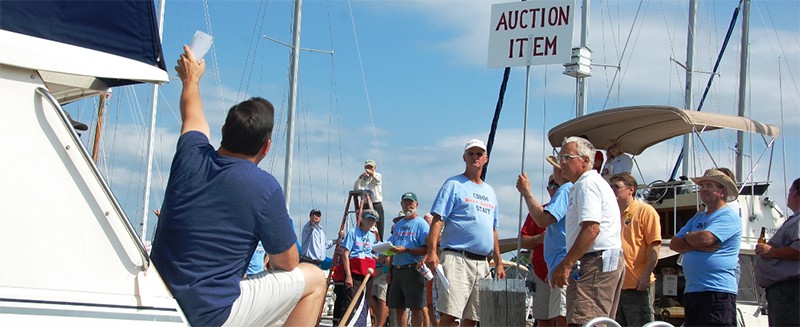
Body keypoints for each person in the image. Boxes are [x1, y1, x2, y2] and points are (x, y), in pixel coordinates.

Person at [150, 46, 325, 327]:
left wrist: (191, 79)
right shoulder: (264, 187)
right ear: (266, 147)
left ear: (222, 132)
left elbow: (191, 112)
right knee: (315, 278)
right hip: (210, 315)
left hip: (161, 301)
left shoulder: (189, 155)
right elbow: (288, 263)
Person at [425, 138, 505, 327]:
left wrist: (499, 261)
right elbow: (438, 219)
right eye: (471, 153)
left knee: (473, 317)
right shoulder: (453, 184)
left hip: (483, 263)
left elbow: (492, 229)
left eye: (479, 154)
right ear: (464, 157)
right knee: (451, 314)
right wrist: (432, 252)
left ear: (486, 159)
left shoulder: (490, 192)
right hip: (457, 258)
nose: (475, 157)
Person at [550, 136, 624, 326]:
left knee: (585, 321)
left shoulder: (586, 184)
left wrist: (566, 264)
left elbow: (591, 228)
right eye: (560, 158)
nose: (562, 162)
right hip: (599, 260)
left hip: (595, 261)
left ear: (584, 161)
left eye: (567, 157)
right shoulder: (587, 184)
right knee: (594, 320)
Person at [670, 168, 742, 327]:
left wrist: (688, 237)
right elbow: (674, 244)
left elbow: (706, 238)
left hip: (717, 292)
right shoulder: (698, 218)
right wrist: (695, 242)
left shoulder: (728, 217)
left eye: (709, 185)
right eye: (702, 186)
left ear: (723, 191)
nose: (704, 189)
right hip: (693, 292)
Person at [515, 168, 570, 327]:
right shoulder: (538, 211)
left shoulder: (571, 206)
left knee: (562, 317)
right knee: (543, 319)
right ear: (547, 189)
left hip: (561, 270)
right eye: (552, 184)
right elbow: (523, 240)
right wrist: (541, 239)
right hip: (541, 274)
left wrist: (526, 192)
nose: (556, 187)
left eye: (559, 184)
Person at [609, 173, 661, 327]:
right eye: (610, 187)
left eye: (616, 187)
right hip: (614, 285)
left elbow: (654, 246)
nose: (612, 190)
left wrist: (646, 276)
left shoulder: (645, 211)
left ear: (631, 190)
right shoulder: (610, 213)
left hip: (637, 284)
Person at [755, 178, 800, 327]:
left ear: (795, 193)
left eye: (789, 191)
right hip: (784, 291)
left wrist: (771, 251)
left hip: (789, 291)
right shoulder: (794, 219)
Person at [387, 192, 430, 327]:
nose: (407, 206)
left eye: (410, 203)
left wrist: (406, 250)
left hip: (413, 269)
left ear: (416, 205)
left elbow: (427, 248)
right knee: (398, 308)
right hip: (397, 270)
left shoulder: (421, 224)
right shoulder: (399, 225)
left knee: (416, 308)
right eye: (405, 203)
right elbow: (391, 245)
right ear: (401, 204)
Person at [334, 209, 379, 325]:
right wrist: (348, 275)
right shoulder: (353, 233)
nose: (370, 222)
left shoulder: (372, 237)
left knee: (365, 301)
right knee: (350, 302)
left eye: (373, 221)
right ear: (362, 220)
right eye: (368, 219)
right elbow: (345, 254)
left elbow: (373, 254)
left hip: (368, 272)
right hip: (355, 271)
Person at [355, 159, 385, 240]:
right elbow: (356, 188)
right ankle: (361, 239)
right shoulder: (363, 179)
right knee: (363, 224)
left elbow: (377, 179)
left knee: (379, 225)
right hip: (365, 204)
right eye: (367, 167)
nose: (368, 169)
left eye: (370, 167)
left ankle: (379, 241)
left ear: (374, 168)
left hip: (376, 204)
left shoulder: (377, 175)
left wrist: (371, 173)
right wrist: (360, 178)